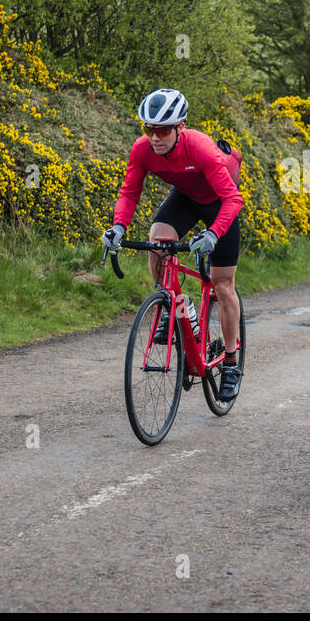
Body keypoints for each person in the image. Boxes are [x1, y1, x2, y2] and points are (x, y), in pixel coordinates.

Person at [102, 89, 246, 398]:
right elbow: (129, 193)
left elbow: (233, 199)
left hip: (221, 203)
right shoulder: (142, 150)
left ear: (180, 127)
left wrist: (213, 234)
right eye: (149, 128)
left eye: (163, 129)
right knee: (159, 242)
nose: (155, 136)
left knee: (222, 285)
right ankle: (180, 306)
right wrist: (118, 227)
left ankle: (231, 363)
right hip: (186, 198)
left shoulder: (201, 149)